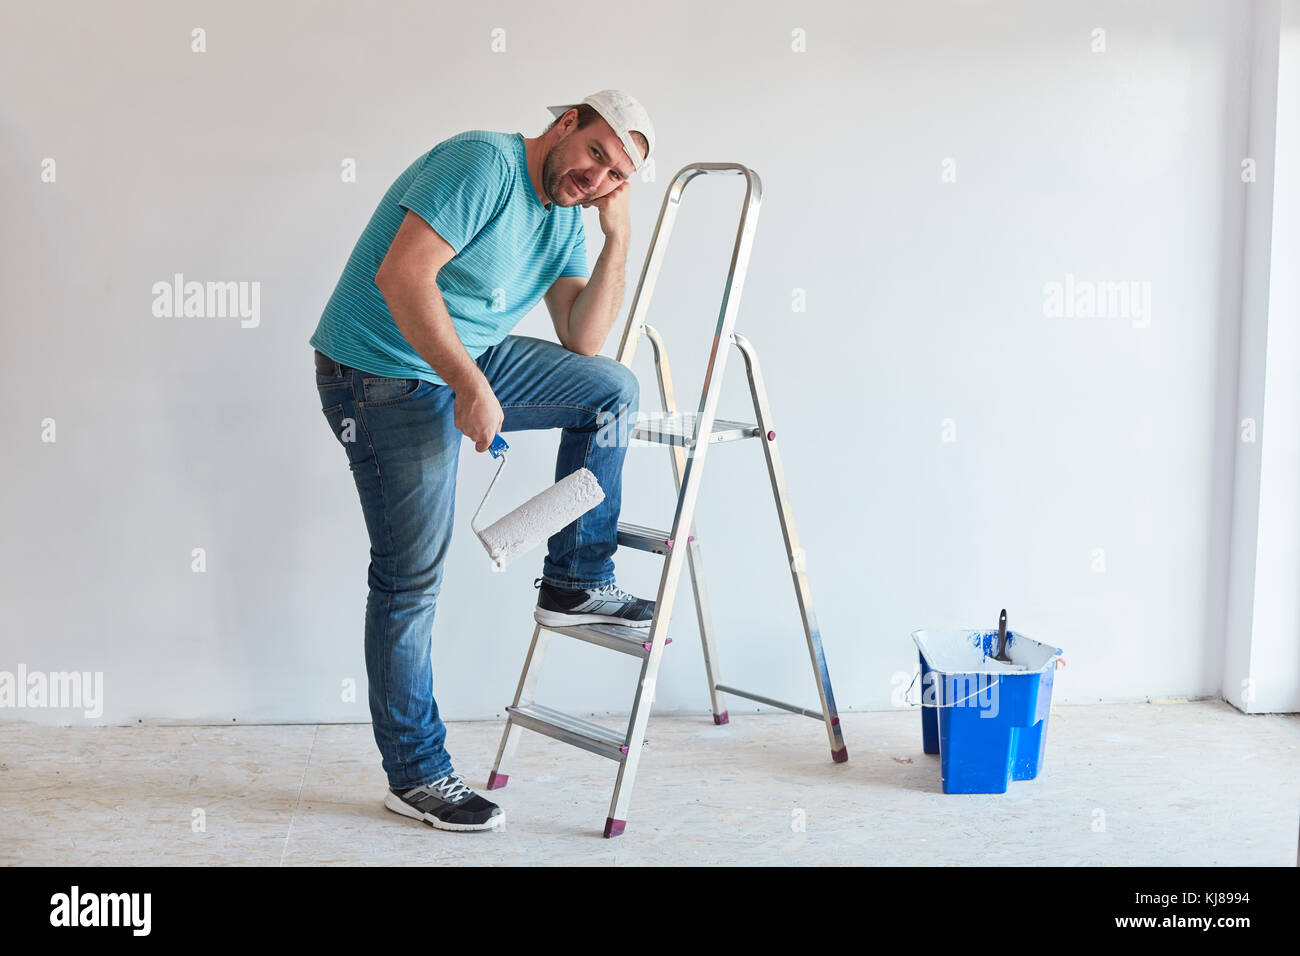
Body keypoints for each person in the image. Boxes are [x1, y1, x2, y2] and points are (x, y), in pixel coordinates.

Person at [309, 90, 658, 832]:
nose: (596, 177)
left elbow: (584, 338)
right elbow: (401, 278)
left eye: (615, 174)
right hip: (379, 372)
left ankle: (575, 580)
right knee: (410, 577)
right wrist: (469, 385)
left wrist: (616, 236)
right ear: (566, 124)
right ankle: (417, 775)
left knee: (612, 390)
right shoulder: (484, 163)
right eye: (595, 151)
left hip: (463, 356)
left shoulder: (571, 211)